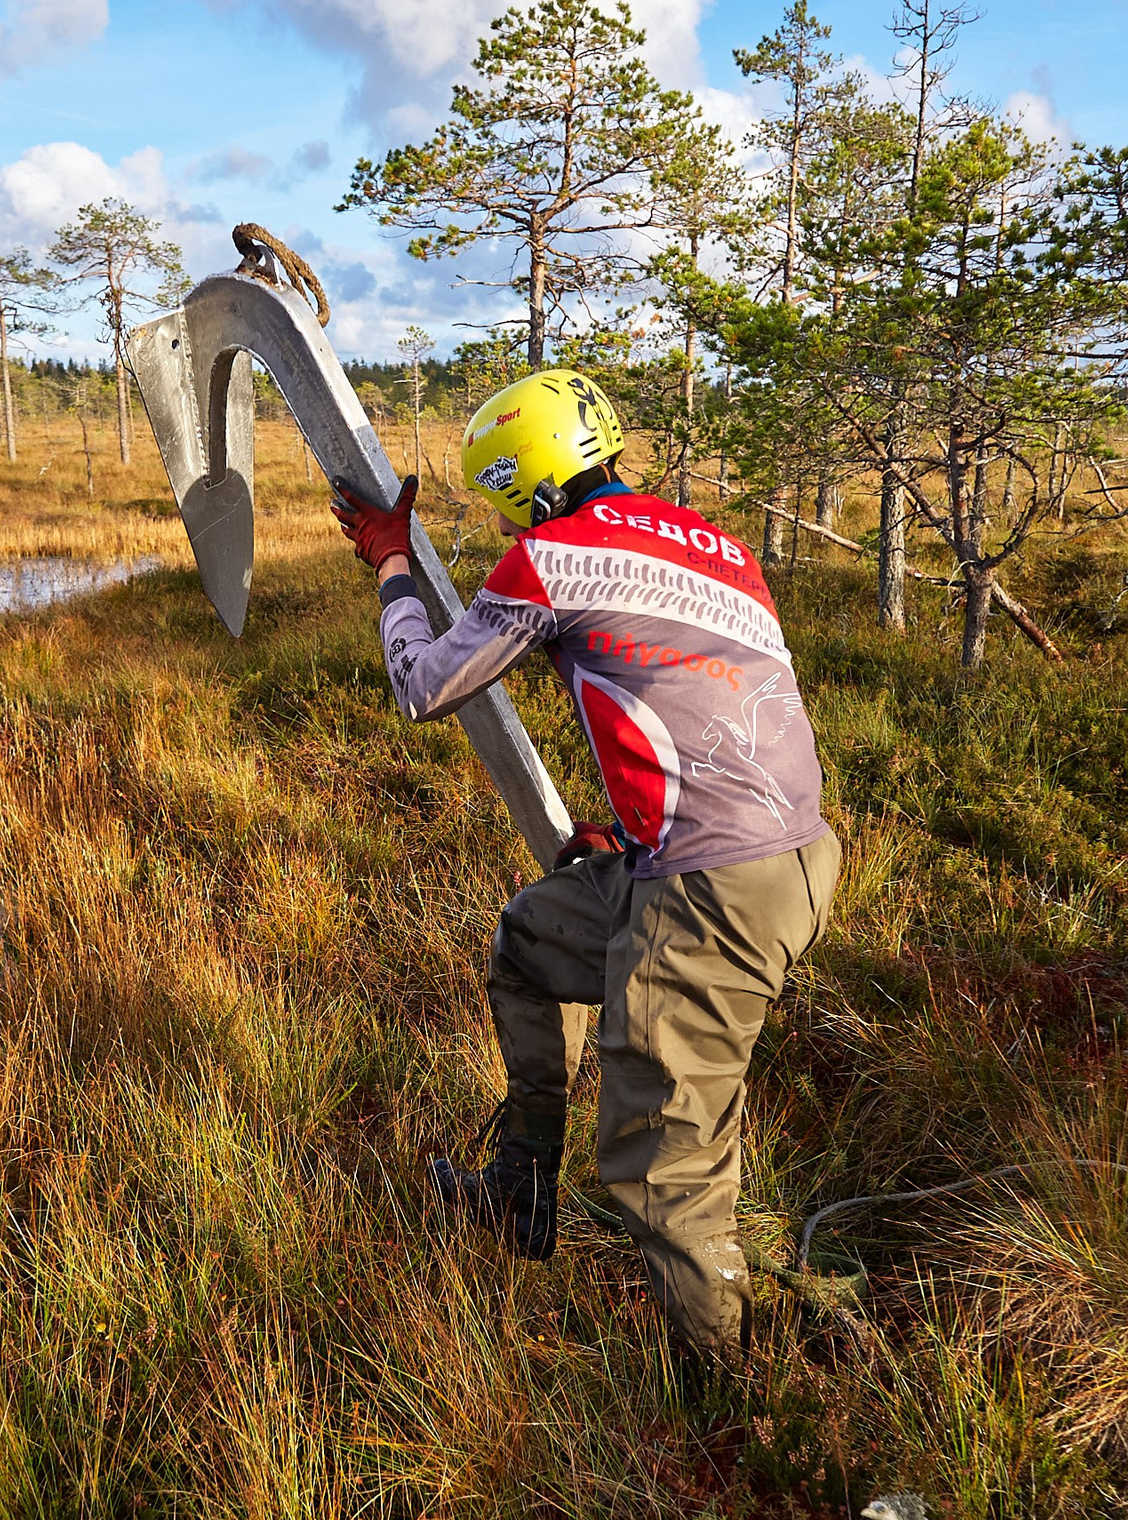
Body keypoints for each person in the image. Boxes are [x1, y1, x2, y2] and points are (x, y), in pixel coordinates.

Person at [331, 369, 842, 1376]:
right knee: (528, 942)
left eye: (502, 499)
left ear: (529, 482)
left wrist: (391, 563)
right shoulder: (717, 547)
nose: (502, 520)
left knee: (666, 1164)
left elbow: (423, 686)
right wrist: (637, 829)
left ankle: (728, 1402)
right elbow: (712, 699)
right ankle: (518, 1192)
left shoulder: (552, 555)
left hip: (711, 888)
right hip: (785, 858)